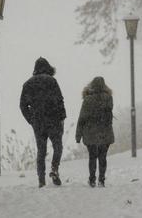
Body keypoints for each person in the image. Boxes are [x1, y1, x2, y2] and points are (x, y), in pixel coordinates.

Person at [20, 57, 66, 188]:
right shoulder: (51, 81)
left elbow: (22, 105)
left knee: (41, 150)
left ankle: (41, 180)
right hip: (53, 119)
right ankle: (54, 168)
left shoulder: (28, 84)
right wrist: (62, 117)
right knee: (58, 146)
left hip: (38, 122)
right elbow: (60, 101)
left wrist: (31, 120)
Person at [76, 77, 114, 187]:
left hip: (90, 132)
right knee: (103, 157)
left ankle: (92, 180)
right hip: (105, 132)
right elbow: (109, 113)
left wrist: (78, 135)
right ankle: (101, 180)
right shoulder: (109, 98)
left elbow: (82, 118)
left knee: (92, 157)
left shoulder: (88, 99)